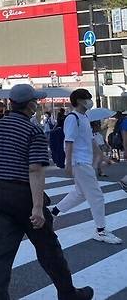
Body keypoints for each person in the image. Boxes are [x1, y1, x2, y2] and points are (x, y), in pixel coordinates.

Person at [0, 84, 93, 300]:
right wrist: (37, 207)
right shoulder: (33, 130)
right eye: (35, 101)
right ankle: (68, 294)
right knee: (48, 248)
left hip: (1, 193)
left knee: (2, 252)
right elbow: (35, 169)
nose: (37, 104)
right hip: (24, 195)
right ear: (30, 105)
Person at [51, 89, 122, 244]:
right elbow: (68, 141)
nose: (90, 101)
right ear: (79, 101)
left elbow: (91, 140)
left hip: (84, 161)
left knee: (80, 193)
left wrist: (102, 156)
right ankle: (100, 230)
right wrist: (68, 164)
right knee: (96, 196)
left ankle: (53, 213)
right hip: (79, 162)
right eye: (87, 98)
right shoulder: (72, 118)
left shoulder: (84, 117)